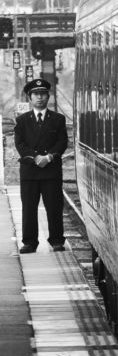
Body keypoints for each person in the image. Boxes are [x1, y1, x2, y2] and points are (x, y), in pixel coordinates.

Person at [14, 78, 69, 254]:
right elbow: (20, 144)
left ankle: (57, 240)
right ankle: (30, 242)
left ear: (48, 97)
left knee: (54, 207)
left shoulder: (58, 119)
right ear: (30, 98)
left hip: (51, 170)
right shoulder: (22, 120)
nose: (40, 98)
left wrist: (50, 157)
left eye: (43, 94)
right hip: (30, 171)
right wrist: (35, 157)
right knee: (29, 208)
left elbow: (62, 142)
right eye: (36, 95)